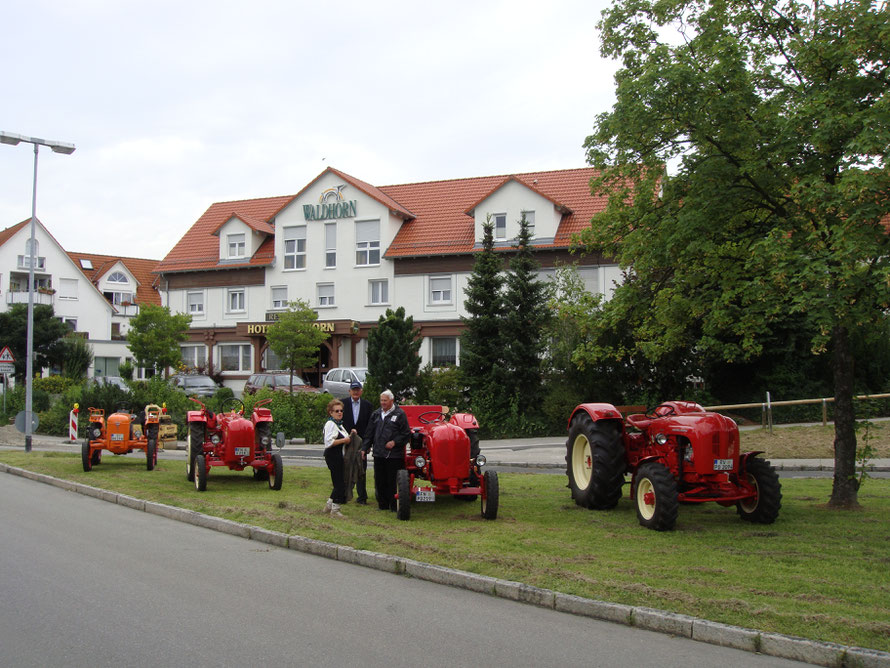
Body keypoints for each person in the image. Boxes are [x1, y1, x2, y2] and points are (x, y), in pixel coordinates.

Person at [362, 389, 411, 511]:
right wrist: (364, 448)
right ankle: (382, 505)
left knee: (392, 481)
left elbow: (406, 434)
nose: (382, 403)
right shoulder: (376, 414)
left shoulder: (400, 414)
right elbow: (369, 433)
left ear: (392, 401)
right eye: (381, 400)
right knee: (379, 480)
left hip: (394, 455)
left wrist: (394, 442)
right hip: (378, 453)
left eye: (385, 400)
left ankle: (394, 505)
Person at [341, 380, 373, 504]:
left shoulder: (367, 405)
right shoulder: (342, 404)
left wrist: (367, 445)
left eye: (357, 389)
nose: (355, 392)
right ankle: (344, 495)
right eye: (353, 389)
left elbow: (370, 427)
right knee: (346, 468)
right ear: (349, 391)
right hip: (346, 441)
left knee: (361, 469)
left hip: (361, 443)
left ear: (361, 391)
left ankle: (362, 497)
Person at [322, 398, 353, 517]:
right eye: (337, 411)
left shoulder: (339, 425)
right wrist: (344, 440)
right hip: (333, 456)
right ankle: (335, 509)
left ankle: (329, 505)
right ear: (331, 412)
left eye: (341, 411)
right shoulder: (331, 424)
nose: (340, 413)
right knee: (340, 483)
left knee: (338, 482)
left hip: (339, 456)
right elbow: (328, 442)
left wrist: (351, 435)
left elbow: (345, 438)